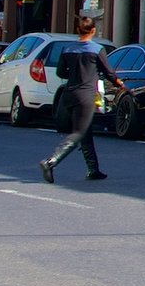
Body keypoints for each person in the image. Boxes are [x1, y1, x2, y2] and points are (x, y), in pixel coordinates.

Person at [41, 16, 127, 184]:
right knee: (79, 133)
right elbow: (109, 72)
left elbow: (60, 72)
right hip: (86, 95)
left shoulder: (67, 49)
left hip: (69, 94)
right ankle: (51, 162)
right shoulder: (97, 49)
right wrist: (120, 84)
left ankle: (93, 169)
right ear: (93, 30)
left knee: (84, 131)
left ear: (78, 30)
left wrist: (75, 74)